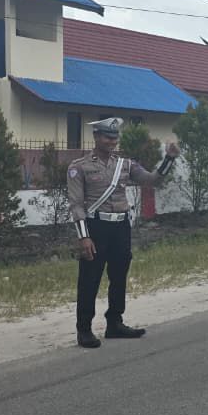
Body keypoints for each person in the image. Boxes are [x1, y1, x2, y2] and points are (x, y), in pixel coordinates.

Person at [67, 117, 180, 348]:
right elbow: (76, 204)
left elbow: (152, 180)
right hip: (95, 226)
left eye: (115, 138)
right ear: (96, 137)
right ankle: (84, 329)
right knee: (89, 279)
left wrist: (169, 158)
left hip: (120, 227)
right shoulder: (79, 167)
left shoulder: (126, 165)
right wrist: (84, 236)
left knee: (119, 277)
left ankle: (114, 323)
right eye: (108, 137)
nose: (112, 142)